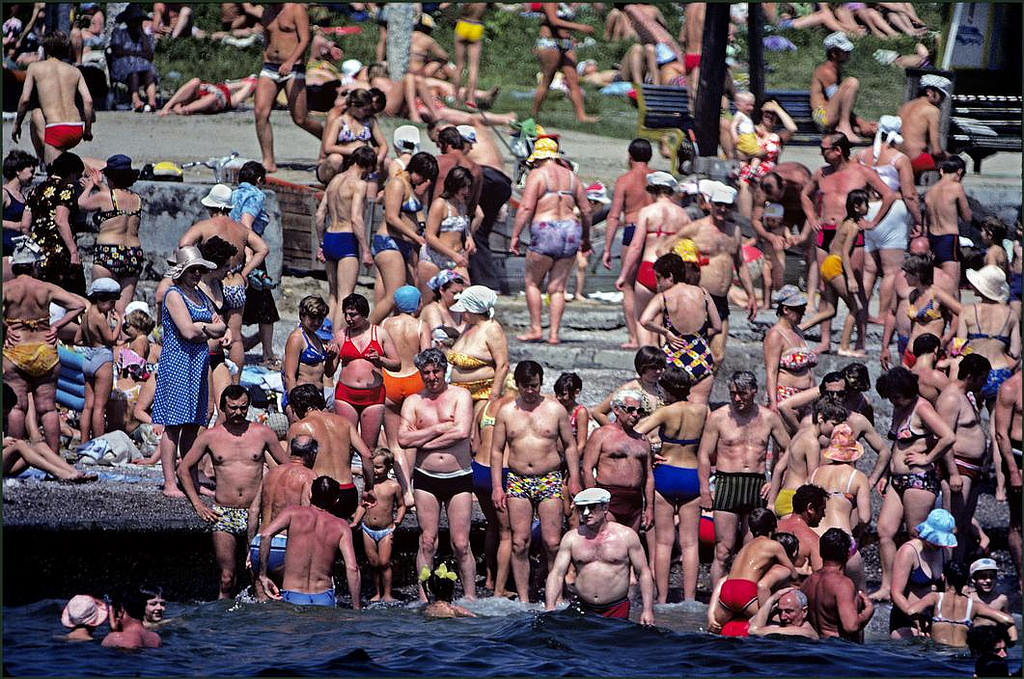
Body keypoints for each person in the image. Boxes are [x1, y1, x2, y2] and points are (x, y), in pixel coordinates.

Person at [177, 385, 286, 600]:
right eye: (233, 408)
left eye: (243, 408)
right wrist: (198, 504)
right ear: (223, 407)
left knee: (257, 577)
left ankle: (258, 629)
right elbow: (183, 469)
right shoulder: (210, 437)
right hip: (223, 512)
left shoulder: (262, 433)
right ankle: (222, 626)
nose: (238, 413)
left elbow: (287, 468)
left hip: (256, 512)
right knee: (227, 578)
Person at [491, 360, 580, 603]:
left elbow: (570, 447)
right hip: (518, 480)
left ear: (541, 383)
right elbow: (497, 451)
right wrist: (497, 486)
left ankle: (556, 596)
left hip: (549, 478)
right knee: (519, 542)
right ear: (517, 385)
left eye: (534, 386)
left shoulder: (555, 410)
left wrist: (574, 479)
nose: (530, 391)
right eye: (525, 386)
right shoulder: (507, 412)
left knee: (552, 542)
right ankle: (524, 599)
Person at [798, 133, 896, 352]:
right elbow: (805, 195)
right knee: (826, 289)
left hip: (851, 233)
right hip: (826, 232)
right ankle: (825, 341)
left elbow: (888, 194)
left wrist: (873, 222)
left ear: (837, 150)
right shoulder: (821, 173)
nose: (821, 153)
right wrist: (813, 218)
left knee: (856, 287)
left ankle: (859, 341)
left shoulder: (862, 172)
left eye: (824, 149)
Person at [872, 367, 958, 603]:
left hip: (918, 480)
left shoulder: (922, 408)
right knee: (885, 531)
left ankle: (923, 585)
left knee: (917, 534)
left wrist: (927, 458)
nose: (892, 401)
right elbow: (897, 446)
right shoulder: (900, 408)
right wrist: (885, 476)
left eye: (895, 396)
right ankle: (888, 585)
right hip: (897, 480)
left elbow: (948, 436)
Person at [398, 348, 476, 601]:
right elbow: (402, 438)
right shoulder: (413, 401)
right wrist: (441, 428)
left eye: (436, 371)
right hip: (426, 478)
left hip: (459, 476)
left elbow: (462, 432)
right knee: (427, 541)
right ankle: (423, 597)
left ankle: (471, 596)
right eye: (426, 373)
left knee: (461, 543)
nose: (432, 377)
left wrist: (424, 442)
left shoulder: (460, 395)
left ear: (445, 370)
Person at [700, 371, 791, 588]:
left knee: (753, 549)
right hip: (727, 483)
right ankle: (717, 598)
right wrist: (705, 489)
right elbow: (703, 454)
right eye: (733, 394)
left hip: (756, 485)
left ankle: (746, 594)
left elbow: (789, 448)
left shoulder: (769, 418)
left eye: (742, 394)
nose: (737, 399)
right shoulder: (719, 417)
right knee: (723, 550)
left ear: (754, 391)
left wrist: (775, 479)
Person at [152, 246, 229, 498]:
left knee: (192, 423)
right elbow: (187, 331)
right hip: (177, 362)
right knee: (173, 425)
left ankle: (189, 478)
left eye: (199, 269)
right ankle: (169, 482)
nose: (196, 274)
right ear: (181, 271)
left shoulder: (200, 295)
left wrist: (202, 327)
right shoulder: (173, 295)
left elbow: (221, 326)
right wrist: (208, 328)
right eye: (192, 269)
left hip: (197, 361)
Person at [3, 238, 86, 453]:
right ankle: (54, 457)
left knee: (17, 405)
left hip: (16, 349)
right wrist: (56, 326)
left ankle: (14, 454)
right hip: (44, 349)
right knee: (48, 408)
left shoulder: (7, 288)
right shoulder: (46, 288)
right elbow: (78, 305)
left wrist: (6, 327)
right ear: (34, 265)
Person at [179, 182, 269, 379]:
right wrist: (244, 272)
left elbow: (183, 244)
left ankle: (210, 377)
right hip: (235, 282)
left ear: (211, 207)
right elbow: (263, 248)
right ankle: (234, 384)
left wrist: (197, 265)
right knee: (235, 338)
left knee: (210, 332)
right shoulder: (240, 229)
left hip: (211, 282)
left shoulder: (204, 226)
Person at [634, 366, 708, 602]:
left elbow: (636, 431)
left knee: (664, 542)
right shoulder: (703, 410)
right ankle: (689, 599)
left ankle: (662, 599)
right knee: (690, 543)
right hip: (692, 474)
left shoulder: (666, 412)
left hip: (666, 473)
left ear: (668, 389)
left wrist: (651, 452)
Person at [509, 137, 592, 345]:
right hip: (571, 230)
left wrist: (516, 235)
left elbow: (526, 208)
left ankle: (536, 328)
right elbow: (586, 210)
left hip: (546, 230)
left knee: (532, 283)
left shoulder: (537, 175)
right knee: (558, 289)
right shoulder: (572, 177)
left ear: (538, 158)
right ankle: (554, 334)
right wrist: (587, 237)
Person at [675, 184, 758, 364]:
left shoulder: (734, 230)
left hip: (721, 299)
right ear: (709, 204)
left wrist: (751, 295)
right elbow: (664, 250)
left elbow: (741, 264)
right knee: (692, 351)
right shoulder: (696, 229)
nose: (722, 209)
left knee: (718, 356)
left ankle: (704, 390)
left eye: (727, 205)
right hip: (699, 297)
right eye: (719, 204)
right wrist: (686, 266)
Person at [545, 487, 655, 624]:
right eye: (581, 508)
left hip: (616, 608)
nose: (586, 513)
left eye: (591, 507)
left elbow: (643, 572)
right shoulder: (572, 538)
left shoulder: (626, 536)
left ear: (605, 508)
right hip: (583, 608)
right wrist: (550, 607)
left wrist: (648, 610)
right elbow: (557, 573)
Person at [257, 476, 362, 608]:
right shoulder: (341, 526)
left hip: (293, 595)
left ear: (311, 494)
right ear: (336, 500)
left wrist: (263, 576)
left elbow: (265, 535)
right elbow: (352, 568)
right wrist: (357, 607)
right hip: (324, 597)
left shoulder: (292, 513)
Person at [856, 115, 920, 322]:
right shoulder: (899, 159)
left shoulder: (862, 155)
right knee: (891, 270)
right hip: (891, 210)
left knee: (869, 269)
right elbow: (909, 194)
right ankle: (883, 314)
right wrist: (919, 220)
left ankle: (862, 312)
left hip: (868, 208)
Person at [619, 171, 692, 347]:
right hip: (673, 272)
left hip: (649, 268)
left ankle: (647, 361)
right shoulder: (683, 216)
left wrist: (623, 275)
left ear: (652, 191)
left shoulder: (646, 212)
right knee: (670, 321)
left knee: (643, 320)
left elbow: (636, 246)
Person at [637, 253, 720, 403]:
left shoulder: (663, 297)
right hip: (701, 358)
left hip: (674, 361)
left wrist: (666, 332)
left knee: (670, 408)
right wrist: (697, 338)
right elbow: (717, 326)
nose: (657, 284)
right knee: (699, 409)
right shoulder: (703, 292)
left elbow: (644, 320)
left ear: (669, 276)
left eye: (658, 278)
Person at [286, 383, 375, 519]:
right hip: (348, 491)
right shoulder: (344, 422)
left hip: (322, 492)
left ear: (296, 407)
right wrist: (369, 487)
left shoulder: (299, 427)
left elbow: (290, 464)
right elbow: (367, 455)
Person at [253, 3, 322, 173]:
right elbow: (267, 36)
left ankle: (328, 137)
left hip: (293, 68)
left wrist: (290, 61)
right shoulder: (267, 11)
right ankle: (268, 160)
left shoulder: (296, 9)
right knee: (260, 112)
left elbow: (305, 39)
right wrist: (265, 56)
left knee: (300, 119)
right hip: (270, 67)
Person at [799, 189, 869, 356]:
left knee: (830, 310)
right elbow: (844, 253)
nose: (868, 207)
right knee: (856, 307)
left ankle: (799, 328)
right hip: (835, 264)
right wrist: (850, 278)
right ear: (857, 207)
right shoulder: (852, 227)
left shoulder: (844, 222)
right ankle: (844, 347)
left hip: (829, 263)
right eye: (866, 204)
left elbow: (832, 247)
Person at [707, 508, 798, 636]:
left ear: (750, 528)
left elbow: (726, 578)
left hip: (727, 590)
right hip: (745, 591)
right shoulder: (773, 545)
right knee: (774, 621)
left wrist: (711, 615)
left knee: (715, 629)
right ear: (774, 527)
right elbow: (792, 572)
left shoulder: (745, 547)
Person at [935, 354, 991, 561]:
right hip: (959, 466)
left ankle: (958, 576)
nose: (984, 383)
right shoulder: (951, 397)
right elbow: (944, 437)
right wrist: (953, 473)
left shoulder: (967, 395)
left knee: (965, 525)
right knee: (953, 526)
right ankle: (948, 578)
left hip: (973, 468)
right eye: (982, 378)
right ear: (970, 375)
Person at [807, 421, 872, 591]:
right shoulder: (857, 477)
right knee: (857, 594)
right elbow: (865, 517)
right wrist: (856, 533)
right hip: (842, 541)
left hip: (815, 540)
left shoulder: (815, 473)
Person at [316, 146, 376, 330]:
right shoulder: (359, 184)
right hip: (346, 238)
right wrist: (365, 249)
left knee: (332, 295)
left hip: (330, 236)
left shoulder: (334, 180)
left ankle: (325, 341)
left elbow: (319, 215)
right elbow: (356, 218)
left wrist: (321, 243)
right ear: (367, 166)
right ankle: (337, 344)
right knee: (345, 297)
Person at [602, 139, 654, 349]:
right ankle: (653, 337)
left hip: (633, 229)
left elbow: (614, 216)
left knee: (629, 287)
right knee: (655, 286)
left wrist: (606, 249)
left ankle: (634, 337)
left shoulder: (624, 180)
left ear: (630, 156)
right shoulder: (657, 178)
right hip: (654, 231)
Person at [373, 152, 436, 324]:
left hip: (403, 244)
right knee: (394, 296)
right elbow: (391, 217)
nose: (424, 182)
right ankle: (364, 333)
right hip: (389, 242)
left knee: (410, 297)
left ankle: (390, 332)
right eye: (423, 177)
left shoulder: (410, 187)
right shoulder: (397, 184)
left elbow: (416, 216)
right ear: (415, 170)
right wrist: (415, 237)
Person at [12, 30, 93, 165]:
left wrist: (17, 125)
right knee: (37, 114)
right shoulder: (74, 71)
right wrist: (88, 130)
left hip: (56, 129)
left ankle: (43, 160)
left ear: (45, 48)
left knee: (35, 115)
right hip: (76, 128)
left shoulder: (34, 68)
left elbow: (25, 99)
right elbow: (88, 101)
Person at [76, 156, 145, 315]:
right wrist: (100, 185)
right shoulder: (137, 199)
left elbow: (81, 204)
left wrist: (90, 186)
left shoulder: (105, 197)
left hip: (109, 251)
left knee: (101, 309)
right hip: (133, 253)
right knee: (121, 311)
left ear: (110, 177)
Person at [250, 434, 318, 595]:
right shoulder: (309, 476)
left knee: (261, 602)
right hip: (285, 545)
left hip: (259, 543)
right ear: (312, 454)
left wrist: (250, 546)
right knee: (290, 602)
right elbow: (306, 516)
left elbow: (253, 511)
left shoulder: (270, 474)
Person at [333, 293, 400, 451]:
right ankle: (345, 476)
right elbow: (330, 371)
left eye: (353, 315)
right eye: (346, 314)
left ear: (363, 313)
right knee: (345, 445)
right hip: (346, 394)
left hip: (373, 395)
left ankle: (368, 476)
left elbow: (397, 364)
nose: (349, 319)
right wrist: (330, 358)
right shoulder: (341, 335)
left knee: (369, 448)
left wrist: (380, 360)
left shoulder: (380, 333)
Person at [231, 162, 281, 369]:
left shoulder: (234, 194)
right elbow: (245, 225)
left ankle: (239, 343)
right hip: (249, 250)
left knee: (234, 302)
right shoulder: (256, 195)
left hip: (231, 249)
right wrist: (250, 256)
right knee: (264, 305)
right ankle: (267, 354)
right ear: (259, 179)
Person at [581, 390, 652, 534]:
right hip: (609, 496)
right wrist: (593, 501)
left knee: (630, 543)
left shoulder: (643, 440)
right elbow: (587, 469)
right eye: (631, 410)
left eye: (640, 411)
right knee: (607, 541)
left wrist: (650, 506)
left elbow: (649, 476)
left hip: (634, 499)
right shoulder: (601, 434)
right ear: (616, 410)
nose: (635, 415)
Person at [903, 561, 1017, 647]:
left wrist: (922, 624)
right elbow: (1009, 620)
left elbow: (911, 611)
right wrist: (1011, 642)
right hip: (962, 656)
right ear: (967, 580)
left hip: (938, 655)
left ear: (943, 577)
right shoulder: (974, 605)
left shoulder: (935, 597)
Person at [25, 152, 86, 295]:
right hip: (59, 251)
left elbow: (24, 225)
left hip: (37, 252)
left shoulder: (35, 190)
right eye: (77, 176)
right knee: (69, 295)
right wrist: (73, 251)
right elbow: (60, 220)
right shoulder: (66, 189)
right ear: (71, 172)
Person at [889, 508, 956, 638]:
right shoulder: (908, 552)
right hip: (906, 616)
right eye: (935, 540)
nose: (938, 544)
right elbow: (896, 593)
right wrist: (914, 616)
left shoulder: (944, 551)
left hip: (932, 616)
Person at [351, 449, 406, 602]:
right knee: (373, 563)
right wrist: (356, 521)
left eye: (378, 467)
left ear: (388, 467)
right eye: (372, 467)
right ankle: (377, 592)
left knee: (384, 562)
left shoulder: (393, 486)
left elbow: (401, 505)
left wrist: (398, 520)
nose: (374, 471)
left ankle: (387, 593)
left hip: (386, 530)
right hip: (368, 529)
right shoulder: (369, 485)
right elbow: (363, 505)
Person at [959, 266, 1020, 404]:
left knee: (970, 419)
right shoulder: (1011, 314)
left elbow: (959, 348)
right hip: (999, 371)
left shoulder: (967, 312)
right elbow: (1015, 353)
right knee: (997, 421)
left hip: (974, 373)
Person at [801, 527, 874, 642]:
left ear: (821, 552)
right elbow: (851, 626)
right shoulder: (842, 584)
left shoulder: (807, 582)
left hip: (815, 648)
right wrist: (869, 611)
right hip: (840, 650)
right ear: (849, 553)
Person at [446, 285, 509, 416]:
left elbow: (502, 365)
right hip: (458, 392)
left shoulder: (492, 329)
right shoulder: (468, 326)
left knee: (476, 433)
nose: (461, 313)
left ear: (473, 310)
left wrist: (494, 396)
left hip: (483, 394)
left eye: (464, 310)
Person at [531, 2, 597, 124]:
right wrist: (580, 27)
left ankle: (582, 116)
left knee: (573, 80)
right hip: (550, 42)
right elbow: (553, 21)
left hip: (566, 43)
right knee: (547, 80)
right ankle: (534, 115)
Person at [418, 166, 479, 290]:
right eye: (463, 187)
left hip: (457, 259)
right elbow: (429, 236)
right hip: (435, 258)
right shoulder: (440, 204)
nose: (466, 191)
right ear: (454, 185)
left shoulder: (462, 205)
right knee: (429, 301)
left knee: (464, 296)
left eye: (468, 187)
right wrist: (453, 255)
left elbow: (463, 227)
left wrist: (469, 238)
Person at [77, 277, 121, 446]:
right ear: (102, 299)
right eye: (111, 302)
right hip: (102, 358)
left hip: (88, 357)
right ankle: (99, 443)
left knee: (88, 406)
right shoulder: (100, 317)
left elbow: (77, 338)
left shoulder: (87, 315)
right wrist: (119, 322)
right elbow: (111, 339)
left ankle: (83, 442)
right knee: (100, 407)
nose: (112, 307)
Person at [809, 32, 873, 143]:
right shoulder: (826, 71)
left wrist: (862, 123)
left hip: (830, 114)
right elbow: (838, 102)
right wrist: (860, 122)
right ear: (834, 54)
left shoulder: (835, 70)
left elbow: (840, 104)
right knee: (851, 83)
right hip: (822, 116)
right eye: (845, 51)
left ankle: (848, 127)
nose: (848, 54)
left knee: (870, 129)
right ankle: (844, 127)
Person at [281, 296, 336, 421]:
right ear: (302, 316)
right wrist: (295, 406)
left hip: (317, 397)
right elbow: (289, 376)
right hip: (300, 399)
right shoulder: (297, 338)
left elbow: (328, 373)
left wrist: (331, 357)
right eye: (312, 318)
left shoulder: (316, 338)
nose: (316, 322)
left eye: (320, 319)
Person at [316, 89, 386, 186]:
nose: (368, 113)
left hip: (357, 162)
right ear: (353, 106)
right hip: (339, 162)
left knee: (386, 162)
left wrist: (379, 158)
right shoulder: (339, 121)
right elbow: (327, 147)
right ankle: (333, 187)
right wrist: (354, 150)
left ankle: (374, 189)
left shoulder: (369, 121)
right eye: (365, 110)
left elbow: (383, 145)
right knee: (336, 159)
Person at [764, 285, 817, 412]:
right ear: (786, 309)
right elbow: (771, 371)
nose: (803, 313)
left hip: (807, 396)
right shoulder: (775, 335)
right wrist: (773, 402)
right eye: (799, 310)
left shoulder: (797, 331)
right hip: (786, 397)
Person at [924, 156, 971, 299]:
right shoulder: (956, 187)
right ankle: (956, 319)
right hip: (949, 238)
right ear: (959, 172)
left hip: (932, 238)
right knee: (953, 287)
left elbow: (927, 220)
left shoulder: (930, 191)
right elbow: (967, 217)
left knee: (937, 284)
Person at [993, 370, 1022, 587]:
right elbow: (1001, 433)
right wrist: (1012, 472)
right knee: (1018, 522)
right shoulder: (1010, 388)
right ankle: (1022, 577)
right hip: (1019, 458)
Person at [591, 346, 666, 425]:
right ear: (642, 367)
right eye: (653, 368)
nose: (658, 371)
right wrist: (615, 431)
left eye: (661, 367)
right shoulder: (629, 389)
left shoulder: (664, 387)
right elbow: (598, 412)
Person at [898, 74, 951, 176]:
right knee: (955, 164)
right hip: (915, 160)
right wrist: (950, 156)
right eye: (941, 95)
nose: (942, 100)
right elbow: (936, 151)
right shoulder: (932, 110)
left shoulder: (905, 106)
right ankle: (944, 190)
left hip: (898, 157)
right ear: (929, 92)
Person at [108, 4, 158, 112]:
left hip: (143, 68)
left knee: (149, 72)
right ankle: (135, 100)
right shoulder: (119, 33)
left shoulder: (145, 37)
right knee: (133, 72)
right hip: (123, 68)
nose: (136, 23)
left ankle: (152, 101)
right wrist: (138, 53)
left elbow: (149, 54)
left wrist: (142, 35)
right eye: (134, 21)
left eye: (139, 21)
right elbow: (117, 51)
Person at [2, 150, 35, 280]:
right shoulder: (4, 193)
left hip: (19, 252)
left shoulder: (22, 196)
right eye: (31, 171)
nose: (33, 176)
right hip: (5, 251)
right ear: (18, 171)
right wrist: (16, 226)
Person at [158, 76, 258, 116]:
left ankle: (185, 109)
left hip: (218, 98)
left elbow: (250, 85)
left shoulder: (230, 97)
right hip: (207, 92)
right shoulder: (225, 86)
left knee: (214, 97)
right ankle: (168, 106)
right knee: (195, 81)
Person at [747, 587, 819, 639]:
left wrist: (772, 599)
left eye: (788, 611)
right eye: (780, 611)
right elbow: (751, 621)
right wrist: (773, 607)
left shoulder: (805, 633)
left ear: (804, 612)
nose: (782, 617)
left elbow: (753, 631)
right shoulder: (787, 626)